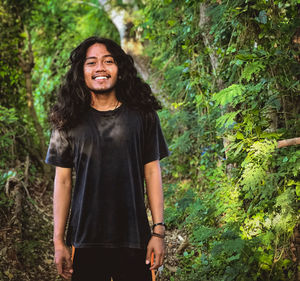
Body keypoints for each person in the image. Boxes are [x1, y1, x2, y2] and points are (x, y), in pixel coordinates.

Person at [45, 36, 170, 281]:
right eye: (91, 63)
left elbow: (153, 172)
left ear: (120, 69)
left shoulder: (142, 115)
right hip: (85, 241)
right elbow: (62, 182)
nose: (100, 68)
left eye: (108, 61)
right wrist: (59, 243)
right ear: (81, 72)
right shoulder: (67, 121)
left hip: (135, 240)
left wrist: (158, 232)